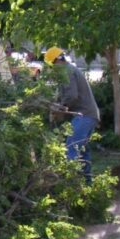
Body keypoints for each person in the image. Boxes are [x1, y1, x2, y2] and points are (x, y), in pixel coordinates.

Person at [44, 47, 100, 184]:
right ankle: (87, 185)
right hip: (88, 115)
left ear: (56, 61)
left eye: (51, 65)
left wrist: (59, 107)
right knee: (82, 152)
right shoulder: (70, 69)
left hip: (84, 115)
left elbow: (71, 96)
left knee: (71, 148)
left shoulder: (66, 71)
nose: (52, 69)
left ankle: (70, 186)